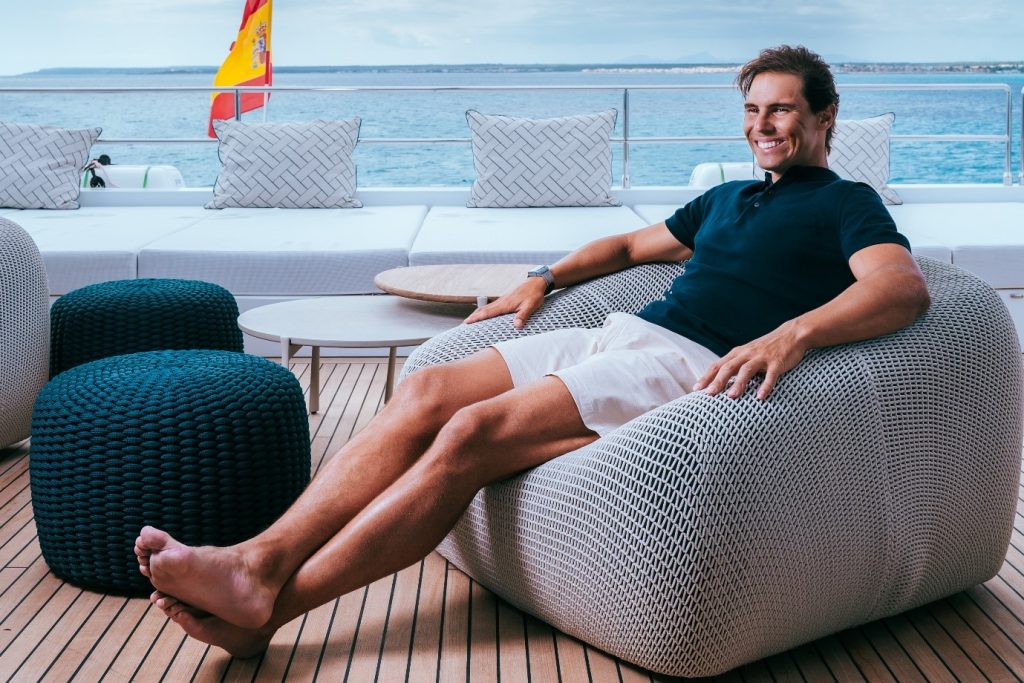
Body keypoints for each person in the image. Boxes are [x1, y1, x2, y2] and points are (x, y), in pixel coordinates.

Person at [134, 45, 930, 657]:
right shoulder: (728, 197)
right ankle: (259, 559)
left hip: (684, 365)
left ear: (826, 116)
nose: (763, 124)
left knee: (470, 433)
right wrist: (542, 278)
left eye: (782, 110)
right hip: (617, 334)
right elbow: (627, 246)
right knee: (425, 390)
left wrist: (793, 332)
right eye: (753, 109)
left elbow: (901, 288)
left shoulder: (845, 204)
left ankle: (268, 598)